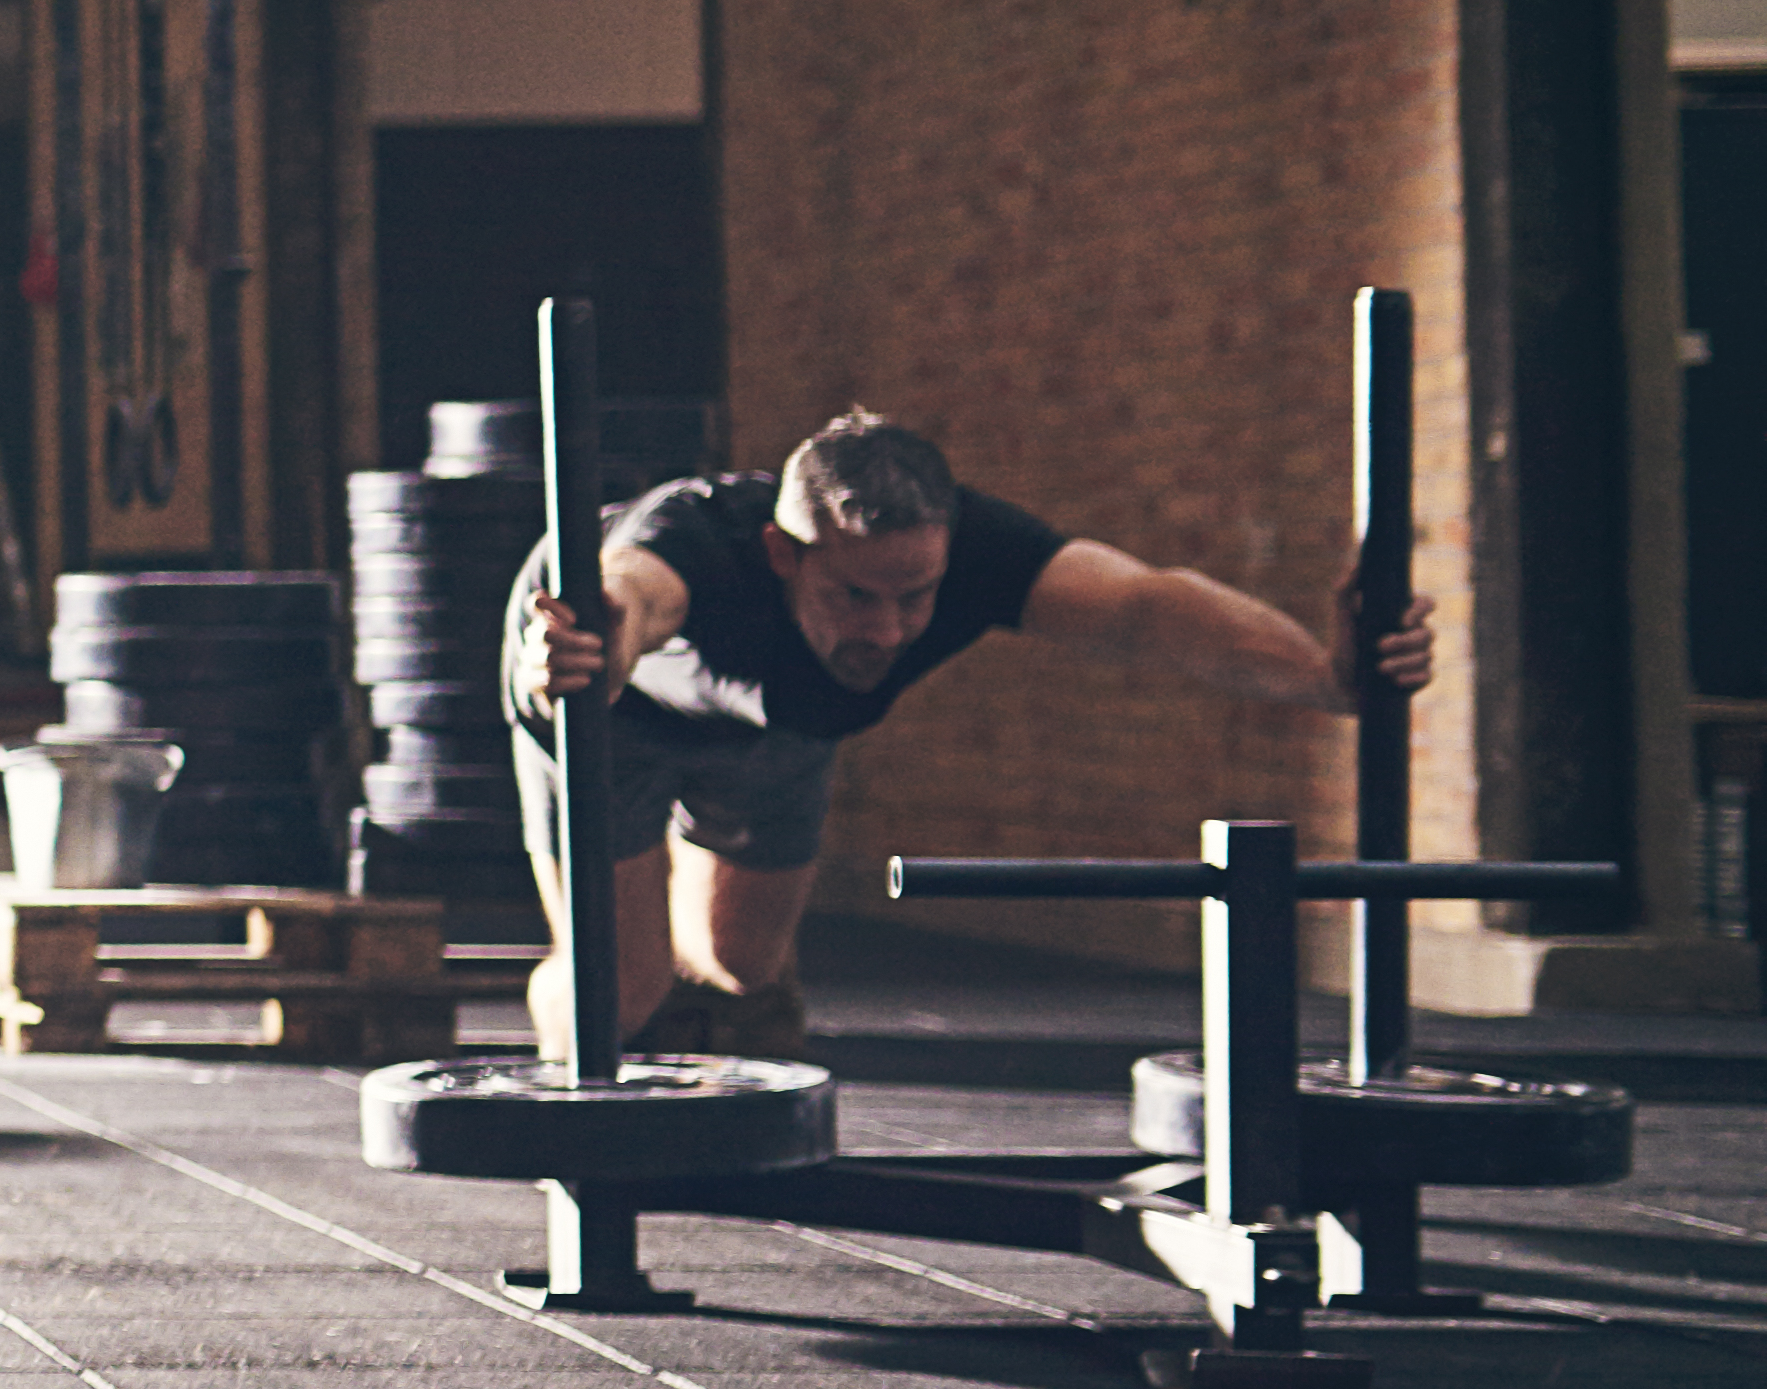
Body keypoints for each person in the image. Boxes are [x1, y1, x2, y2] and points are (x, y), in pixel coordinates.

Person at [511, 402, 1431, 1060]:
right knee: (619, 989)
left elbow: (1144, 608)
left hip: (779, 722)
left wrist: (1329, 679)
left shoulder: (974, 551)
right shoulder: (698, 546)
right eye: (853, 596)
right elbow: (632, 591)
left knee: (738, 964)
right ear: (785, 555)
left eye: (915, 596)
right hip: (609, 701)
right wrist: (589, 651)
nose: (885, 629)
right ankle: (573, 1103)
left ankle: (674, 966)